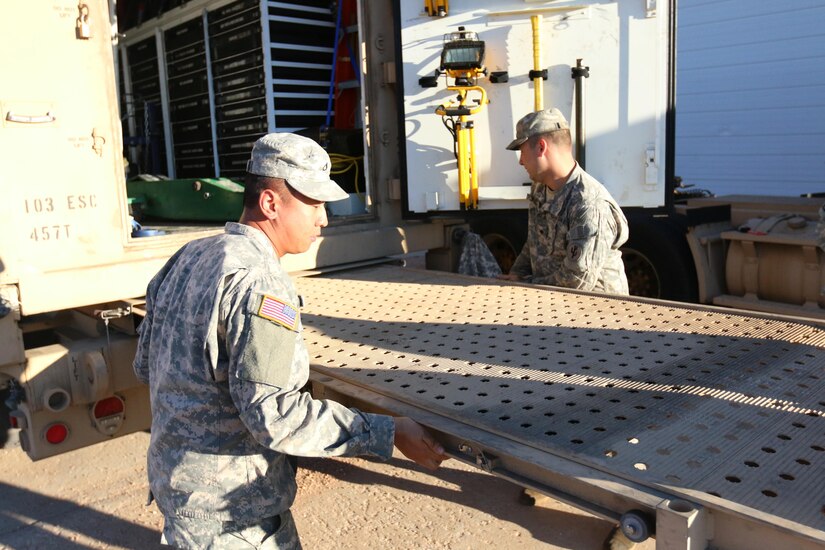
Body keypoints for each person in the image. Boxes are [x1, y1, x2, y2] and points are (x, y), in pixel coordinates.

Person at [133, 132, 448, 549]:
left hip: (181, 496)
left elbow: (145, 365)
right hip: (235, 517)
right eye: (314, 204)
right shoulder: (261, 284)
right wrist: (388, 433)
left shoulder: (188, 256)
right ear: (270, 203)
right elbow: (276, 418)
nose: (324, 219)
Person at [499, 108, 629, 295]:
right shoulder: (540, 188)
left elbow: (576, 280)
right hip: (553, 302)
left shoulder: (589, 204)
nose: (520, 161)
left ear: (541, 147)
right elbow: (534, 243)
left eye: (522, 151)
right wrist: (517, 274)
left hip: (597, 312)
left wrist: (526, 284)